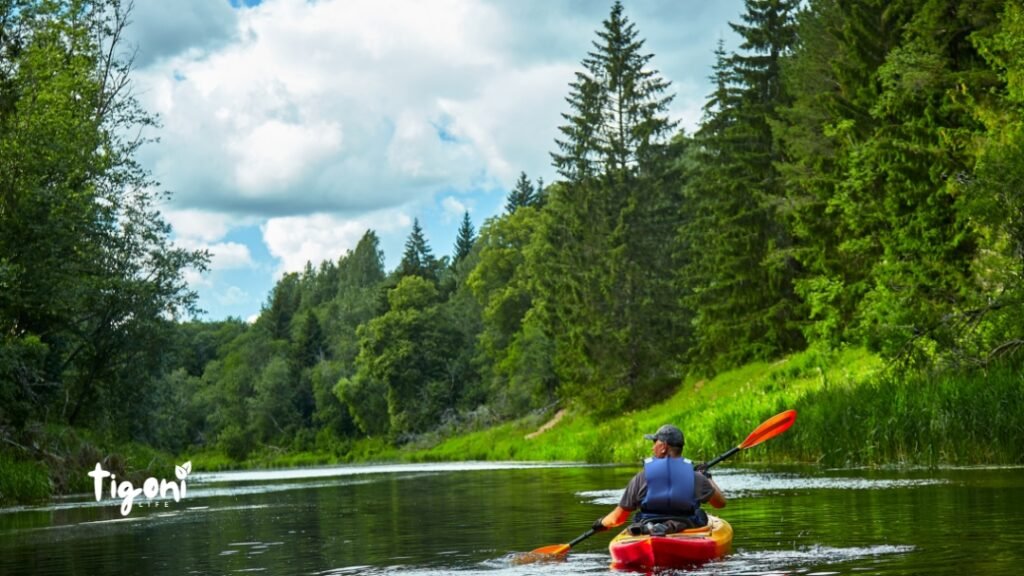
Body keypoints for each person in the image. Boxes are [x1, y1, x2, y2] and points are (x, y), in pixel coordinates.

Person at [591, 424, 726, 536]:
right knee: (700, 515)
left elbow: (617, 518)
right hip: (687, 526)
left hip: (648, 526)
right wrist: (707, 477)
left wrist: (602, 523)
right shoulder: (696, 476)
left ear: (664, 447)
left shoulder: (641, 477)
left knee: (637, 520)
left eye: (654, 442)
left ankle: (656, 528)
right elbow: (720, 503)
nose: (652, 447)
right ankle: (668, 527)